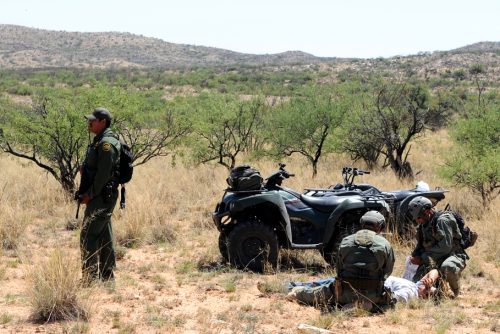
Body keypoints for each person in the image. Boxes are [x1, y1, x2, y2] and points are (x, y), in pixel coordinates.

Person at [77, 107, 121, 283]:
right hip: (102, 195)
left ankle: (90, 278)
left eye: (93, 120)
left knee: (88, 235)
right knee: (103, 233)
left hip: (101, 196)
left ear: (103, 122)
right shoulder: (99, 141)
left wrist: (90, 194)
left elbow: (103, 174)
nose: (90, 122)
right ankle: (107, 275)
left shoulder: (106, 144)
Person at [335, 210, 395, 311]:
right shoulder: (385, 244)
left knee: (313, 292)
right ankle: (367, 305)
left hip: (344, 295)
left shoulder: (346, 240)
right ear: (380, 226)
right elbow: (387, 271)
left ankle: (298, 293)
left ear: (362, 223)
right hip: (373, 296)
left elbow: (338, 269)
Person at [408, 196, 467, 297]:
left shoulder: (443, 220)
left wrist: (423, 258)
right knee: (415, 284)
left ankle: (456, 292)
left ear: (426, 211)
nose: (418, 221)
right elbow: (421, 245)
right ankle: (440, 289)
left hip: (453, 255)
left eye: (419, 218)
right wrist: (415, 256)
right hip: (434, 257)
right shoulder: (424, 224)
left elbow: (446, 246)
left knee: (448, 267)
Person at [286, 269, 439, 307]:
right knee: (328, 282)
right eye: (427, 286)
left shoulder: (410, 294)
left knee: (327, 286)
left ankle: (290, 288)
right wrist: (431, 279)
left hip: (369, 288)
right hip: (370, 282)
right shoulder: (415, 285)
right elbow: (435, 271)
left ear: (425, 297)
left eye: (427, 290)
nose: (424, 285)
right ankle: (293, 286)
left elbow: (390, 299)